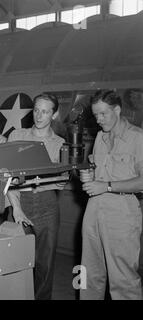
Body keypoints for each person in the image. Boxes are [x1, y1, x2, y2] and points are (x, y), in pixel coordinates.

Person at [79, 90, 143, 300]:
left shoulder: (137, 137)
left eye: (103, 114)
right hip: (93, 210)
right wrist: (88, 174)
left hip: (122, 212)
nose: (98, 120)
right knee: (88, 274)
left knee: (122, 279)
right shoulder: (100, 136)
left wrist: (105, 186)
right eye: (95, 115)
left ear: (117, 110)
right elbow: (98, 170)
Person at [6, 93, 65, 300]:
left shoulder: (60, 143)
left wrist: (60, 180)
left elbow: (62, 179)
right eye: (36, 110)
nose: (39, 116)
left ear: (54, 114)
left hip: (48, 205)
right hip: (19, 201)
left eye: (45, 111)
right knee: (14, 260)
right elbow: (7, 178)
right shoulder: (16, 136)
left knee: (45, 264)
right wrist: (17, 208)